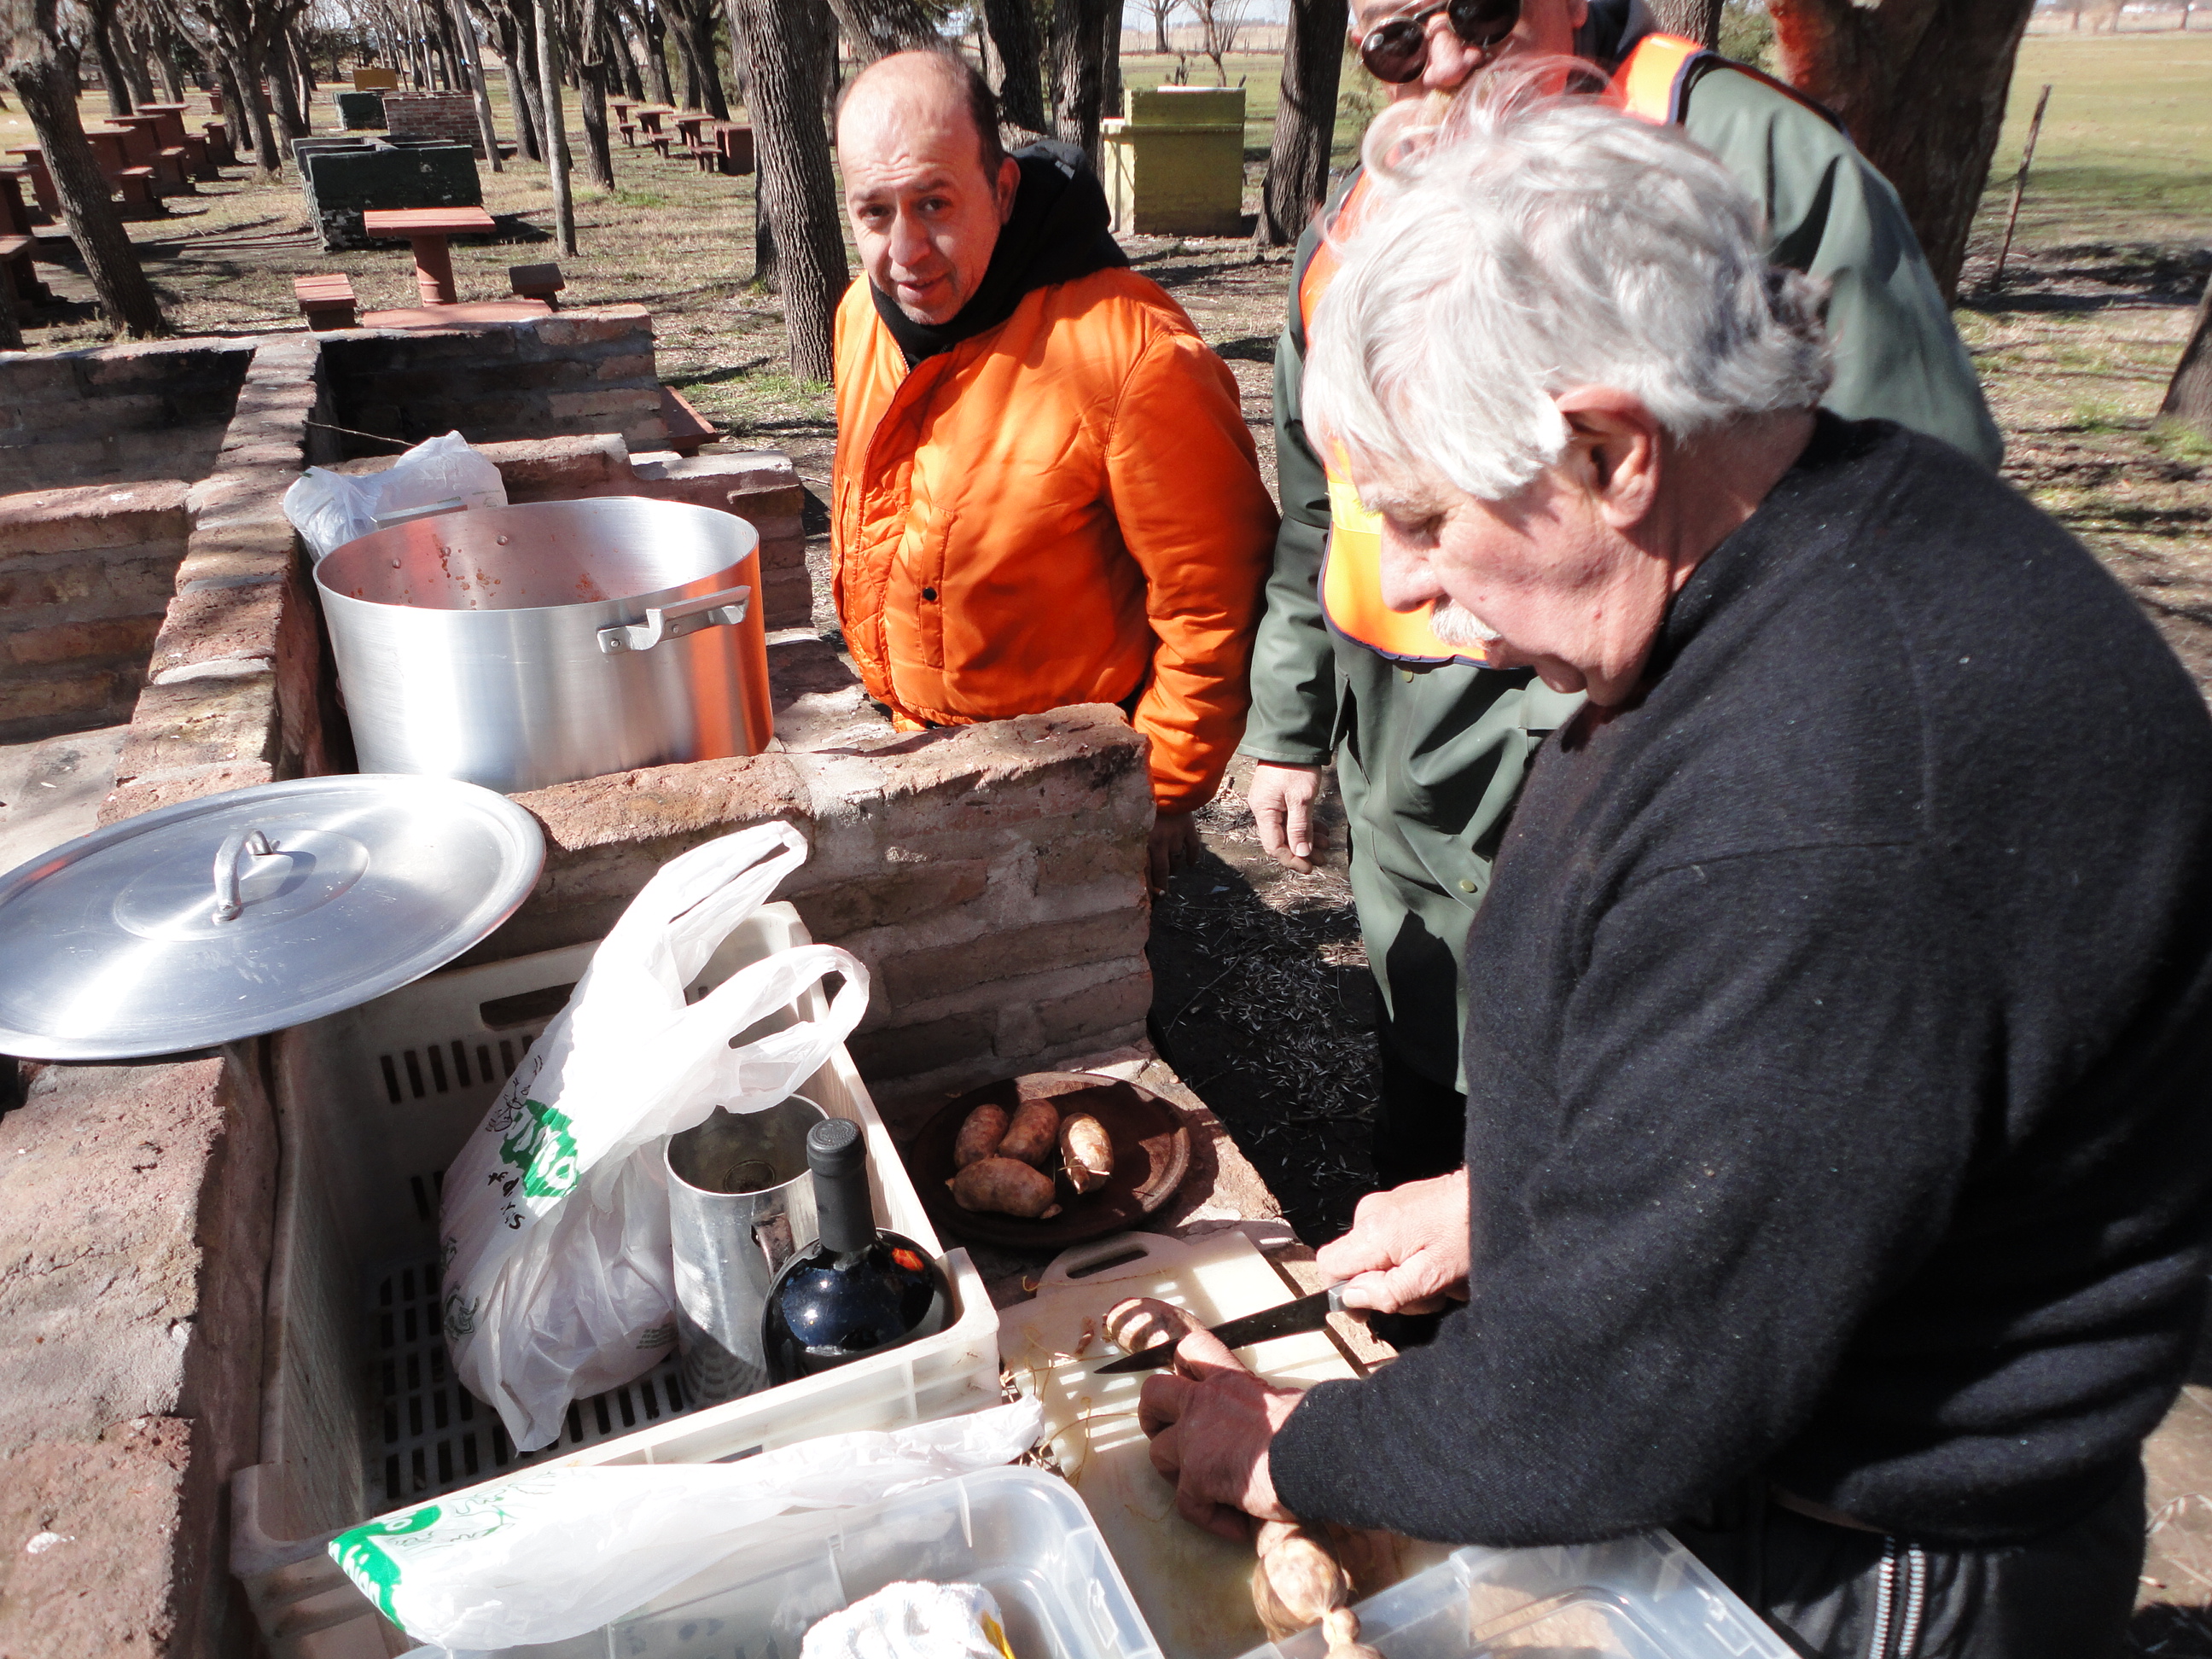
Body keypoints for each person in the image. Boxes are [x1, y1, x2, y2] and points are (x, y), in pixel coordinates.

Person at [1138, 91, 2212, 1658]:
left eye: (1423, 514)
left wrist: (1289, 1449)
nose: (1407, 584)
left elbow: (1617, 1396)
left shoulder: (1823, 793)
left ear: (1608, 450)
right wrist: (1521, 1195)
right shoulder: (1794, 545)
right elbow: (1821, 1116)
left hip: (1868, 1558)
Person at [1243, 0, 2005, 1188]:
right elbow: (1316, 512)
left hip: (1649, 789)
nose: (1446, 57)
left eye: (1480, 7)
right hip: (1412, 800)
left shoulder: (1744, 150)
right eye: (1394, 39)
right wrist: (1290, 724)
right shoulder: (1360, 220)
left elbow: (1905, 546)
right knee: (1437, 1123)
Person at [830, 49, 1278, 892]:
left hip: (1071, 792)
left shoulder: (1133, 355)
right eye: (875, 212)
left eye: (934, 204)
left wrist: (1161, 791)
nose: (907, 250)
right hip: (909, 753)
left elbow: (1215, 603)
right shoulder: (862, 315)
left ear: (1001, 190)